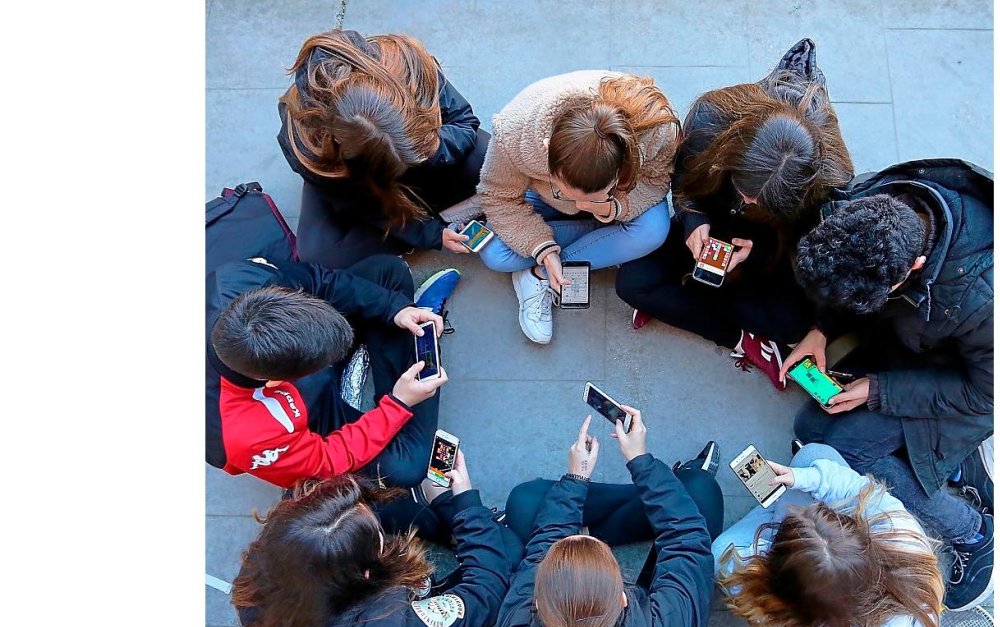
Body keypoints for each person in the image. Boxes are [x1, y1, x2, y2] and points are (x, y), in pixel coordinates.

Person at [783, 158, 994, 611]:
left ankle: (972, 531)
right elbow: (846, 280)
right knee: (812, 431)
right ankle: (954, 467)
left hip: (961, 385)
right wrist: (820, 329)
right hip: (911, 346)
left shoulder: (987, 299)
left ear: (915, 265)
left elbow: (986, 393)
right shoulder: (862, 208)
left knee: (848, 454)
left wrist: (879, 390)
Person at [615, 38, 853, 390]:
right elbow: (681, 179)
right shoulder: (712, 118)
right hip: (708, 223)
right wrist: (694, 219)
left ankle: (687, 299)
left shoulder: (832, 182)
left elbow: (821, 257)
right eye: (743, 185)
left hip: (771, 254)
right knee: (631, 284)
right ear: (732, 150)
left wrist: (756, 256)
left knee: (792, 326)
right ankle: (742, 338)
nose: (750, 201)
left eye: (765, 200)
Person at [232, 451, 520, 627]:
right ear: (367, 574)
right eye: (379, 538)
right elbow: (486, 589)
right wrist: (465, 504)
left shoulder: (258, 576)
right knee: (507, 552)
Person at [495, 409, 719, 627]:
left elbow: (538, 554)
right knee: (701, 491)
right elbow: (688, 540)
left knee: (524, 503)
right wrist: (641, 462)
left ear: (538, 603)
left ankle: (633, 502)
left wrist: (575, 481)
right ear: (623, 599)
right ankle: (670, 486)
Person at [205, 255, 455, 488]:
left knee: (388, 271)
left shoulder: (246, 279)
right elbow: (327, 460)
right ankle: (410, 378)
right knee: (407, 467)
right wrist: (397, 405)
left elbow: (319, 280)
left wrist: (394, 309)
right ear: (278, 382)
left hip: (285, 376)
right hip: (299, 423)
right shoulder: (246, 437)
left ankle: (411, 334)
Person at [475, 70, 680, 344]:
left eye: (594, 194)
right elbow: (497, 196)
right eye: (563, 188)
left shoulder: (658, 128)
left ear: (623, 169)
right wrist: (543, 249)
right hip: (543, 196)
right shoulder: (515, 131)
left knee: (653, 231)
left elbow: (658, 179)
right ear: (547, 150)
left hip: (626, 197)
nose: (579, 204)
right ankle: (603, 244)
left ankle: (539, 276)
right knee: (494, 253)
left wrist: (611, 207)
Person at [713, 443, 943, 627]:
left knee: (721, 552)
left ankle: (773, 511)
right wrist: (801, 477)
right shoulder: (901, 535)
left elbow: (762, 607)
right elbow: (858, 487)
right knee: (812, 456)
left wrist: (764, 553)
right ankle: (779, 510)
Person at [279, 29, 489, 269]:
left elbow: (464, 121)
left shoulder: (408, 64)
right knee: (319, 256)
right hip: (360, 189)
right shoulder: (307, 145)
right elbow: (360, 204)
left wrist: (431, 152)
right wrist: (429, 233)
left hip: (418, 165)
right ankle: (426, 216)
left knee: (490, 156)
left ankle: (411, 218)